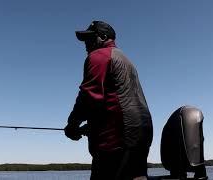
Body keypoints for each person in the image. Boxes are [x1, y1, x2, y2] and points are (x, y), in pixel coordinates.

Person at [64, 20, 153, 180]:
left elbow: (89, 96)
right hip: (141, 134)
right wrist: (90, 126)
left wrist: (72, 125)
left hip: (116, 138)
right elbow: (117, 99)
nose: (86, 43)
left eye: (90, 38)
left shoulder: (99, 56)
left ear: (104, 37)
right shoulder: (125, 59)